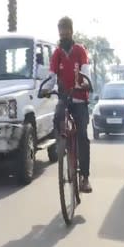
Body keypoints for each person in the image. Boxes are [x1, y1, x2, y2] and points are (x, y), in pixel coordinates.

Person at [42, 16, 93, 193]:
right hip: (64, 97)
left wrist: (85, 83)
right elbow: (51, 77)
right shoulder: (57, 53)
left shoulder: (80, 50)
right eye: (60, 33)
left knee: (82, 136)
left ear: (71, 31)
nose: (63, 36)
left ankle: (85, 177)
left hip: (79, 98)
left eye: (66, 32)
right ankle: (63, 145)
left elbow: (86, 71)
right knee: (57, 117)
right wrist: (45, 89)